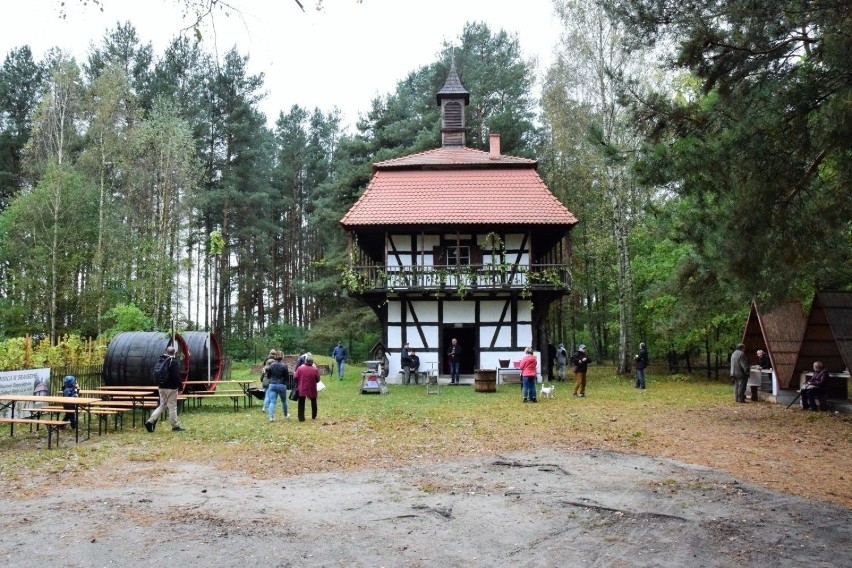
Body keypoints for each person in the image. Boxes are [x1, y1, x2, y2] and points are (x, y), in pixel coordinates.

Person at [145, 346, 185, 432]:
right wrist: (180, 387)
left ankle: (150, 421)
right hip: (171, 388)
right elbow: (176, 376)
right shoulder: (173, 362)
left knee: (162, 405)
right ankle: (175, 426)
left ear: (166, 352)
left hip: (161, 387)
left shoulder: (161, 360)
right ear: (174, 353)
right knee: (172, 407)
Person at [294, 354, 321, 421]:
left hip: (302, 387)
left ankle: (301, 417)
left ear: (305, 361)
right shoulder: (315, 370)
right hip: (312, 387)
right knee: (313, 401)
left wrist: (299, 381)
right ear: (312, 362)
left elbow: (295, 377)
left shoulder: (300, 368)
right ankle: (314, 416)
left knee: (301, 402)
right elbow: (318, 380)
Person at [266, 352, 291, 421]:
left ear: (275, 357)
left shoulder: (271, 365)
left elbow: (268, 376)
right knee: (284, 401)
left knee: (272, 402)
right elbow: (287, 377)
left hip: (272, 384)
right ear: (282, 357)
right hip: (281, 385)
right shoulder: (284, 366)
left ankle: (271, 417)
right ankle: (285, 415)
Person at [261, 349, 278, 414]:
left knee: (267, 394)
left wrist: (262, 379)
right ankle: (265, 407)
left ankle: (266, 407)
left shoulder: (266, 359)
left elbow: (263, 370)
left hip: (265, 380)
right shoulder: (275, 361)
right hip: (271, 381)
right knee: (269, 395)